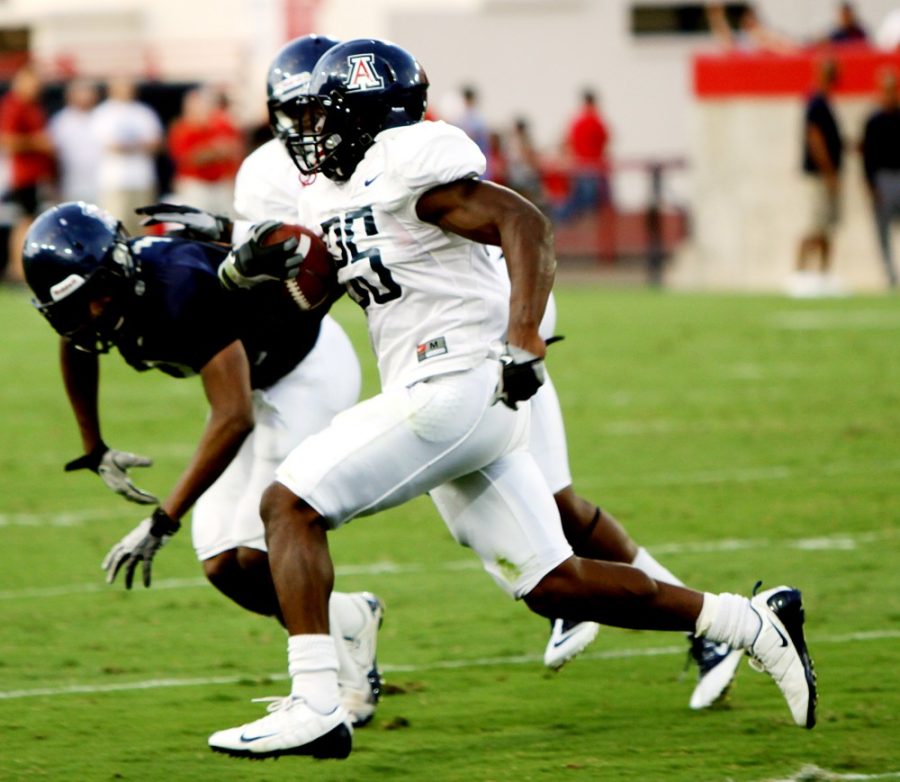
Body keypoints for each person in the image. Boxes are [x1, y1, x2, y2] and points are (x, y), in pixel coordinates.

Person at [203, 38, 816, 760]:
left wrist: (523, 332)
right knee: (555, 585)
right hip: (449, 397)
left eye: (322, 114)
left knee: (288, 505)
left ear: (366, 117)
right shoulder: (331, 187)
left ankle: (315, 703)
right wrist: (253, 269)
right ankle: (751, 622)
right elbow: (320, 293)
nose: (307, 132)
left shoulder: (409, 164)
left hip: (456, 383)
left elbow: (524, 223)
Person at [21, 200, 384, 727]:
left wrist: (163, 519)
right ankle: (352, 616)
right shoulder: (101, 294)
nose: (90, 315)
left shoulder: (178, 287)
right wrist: (93, 445)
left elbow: (232, 415)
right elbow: (76, 344)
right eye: (75, 307)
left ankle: (332, 688)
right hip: (256, 383)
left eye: (94, 299)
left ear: (116, 272)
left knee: (259, 552)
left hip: (307, 371)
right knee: (221, 563)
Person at [792, 58, 844, 297]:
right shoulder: (816, 103)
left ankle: (823, 275)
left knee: (826, 228)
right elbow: (815, 138)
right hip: (819, 175)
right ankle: (799, 273)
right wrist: (829, 172)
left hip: (827, 174)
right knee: (814, 226)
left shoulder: (826, 102)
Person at [0, 65, 54, 283]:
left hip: (35, 174)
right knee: (24, 220)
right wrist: (37, 143)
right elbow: (7, 140)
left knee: (29, 219)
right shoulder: (14, 105)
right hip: (22, 174)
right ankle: (17, 269)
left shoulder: (34, 106)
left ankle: (20, 267)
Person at [91, 77, 163, 234]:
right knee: (116, 227)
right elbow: (110, 145)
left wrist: (129, 145)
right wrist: (138, 145)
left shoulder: (144, 112)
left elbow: (156, 143)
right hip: (115, 182)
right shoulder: (103, 113)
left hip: (141, 180)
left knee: (143, 227)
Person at [167, 87, 243, 216]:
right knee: (198, 225)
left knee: (227, 223)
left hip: (221, 184)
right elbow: (189, 159)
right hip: (196, 185)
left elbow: (235, 149)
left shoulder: (221, 125)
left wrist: (213, 152)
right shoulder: (182, 129)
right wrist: (215, 151)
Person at [861, 68, 900, 288]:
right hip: (883, 179)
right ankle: (891, 275)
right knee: (882, 232)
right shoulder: (874, 121)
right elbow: (868, 156)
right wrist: (870, 184)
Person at [555, 90, 610, 223]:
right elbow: (605, 141)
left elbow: (569, 141)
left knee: (579, 200)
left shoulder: (577, 121)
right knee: (593, 203)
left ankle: (564, 223)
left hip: (580, 165)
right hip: (595, 166)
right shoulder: (597, 121)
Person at [48, 80, 102, 203]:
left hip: (102, 183)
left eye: (88, 93)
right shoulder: (61, 120)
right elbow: (53, 154)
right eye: (81, 93)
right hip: (71, 184)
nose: (85, 97)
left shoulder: (103, 116)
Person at [705, 3, 797, 54]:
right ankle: (716, 14)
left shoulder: (759, 32)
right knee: (726, 41)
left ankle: (716, 15)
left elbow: (777, 44)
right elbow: (727, 40)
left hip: (760, 49)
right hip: (741, 50)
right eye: (747, 18)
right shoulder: (746, 35)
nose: (749, 20)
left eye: (751, 18)